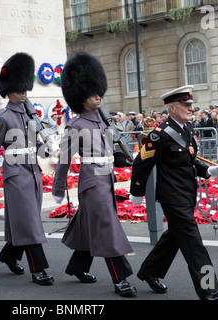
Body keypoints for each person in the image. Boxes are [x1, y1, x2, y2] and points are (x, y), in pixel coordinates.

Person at [129, 85, 218, 300]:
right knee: (194, 245)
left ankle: (150, 271)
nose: (191, 109)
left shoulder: (187, 129)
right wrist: (136, 192)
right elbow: (141, 163)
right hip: (172, 197)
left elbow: (188, 162)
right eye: (186, 105)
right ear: (172, 108)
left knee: (174, 236)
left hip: (186, 193)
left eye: (191, 105)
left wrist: (210, 171)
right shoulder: (159, 135)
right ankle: (209, 289)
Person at [52, 52, 136, 297]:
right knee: (107, 227)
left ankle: (78, 266)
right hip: (92, 184)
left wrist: (129, 160)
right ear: (81, 96)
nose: (98, 95)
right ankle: (120, 278)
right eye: (92, 93)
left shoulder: (104, 122)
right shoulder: (75, 125)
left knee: (91, 226)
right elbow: (64, 162)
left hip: (107, 180)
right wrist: (58, 190)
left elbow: (112, 153)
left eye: (98, 91)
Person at [0, 52, 54, 285]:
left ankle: (9, 254)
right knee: (29, 222)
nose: (24, 93)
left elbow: (34, 145)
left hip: (33, 173)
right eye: (20, 89)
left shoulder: (30, 116)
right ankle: (38, 269)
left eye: (25, 89)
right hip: (16, 175)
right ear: (9, 91)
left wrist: (46, 149)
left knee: (25, 219)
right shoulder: (2, 118)